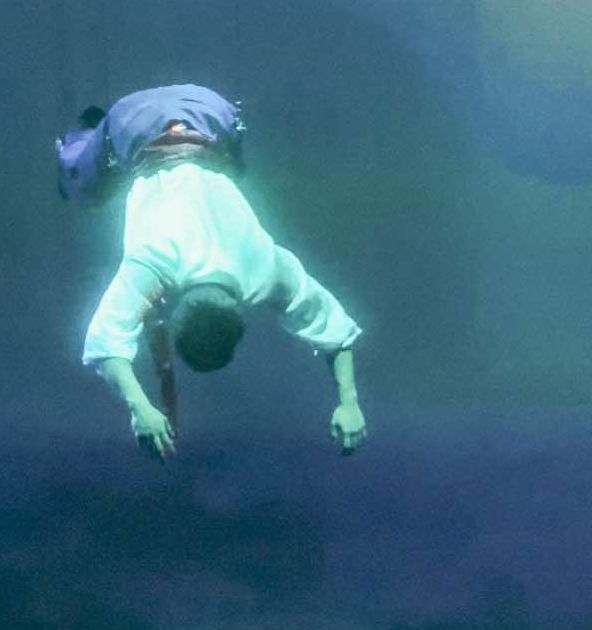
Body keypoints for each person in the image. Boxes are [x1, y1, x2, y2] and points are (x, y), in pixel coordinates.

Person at [66, 83, 367, 460]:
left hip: (211, 112)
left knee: (231, 168)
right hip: (137, 121)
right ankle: (78, 144)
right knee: (83, 185)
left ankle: (95, 141)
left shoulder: (262, 268)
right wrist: (139, 408)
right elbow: (104, 343)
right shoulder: (154, 262)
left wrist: (351, 402)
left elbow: (334, 329)